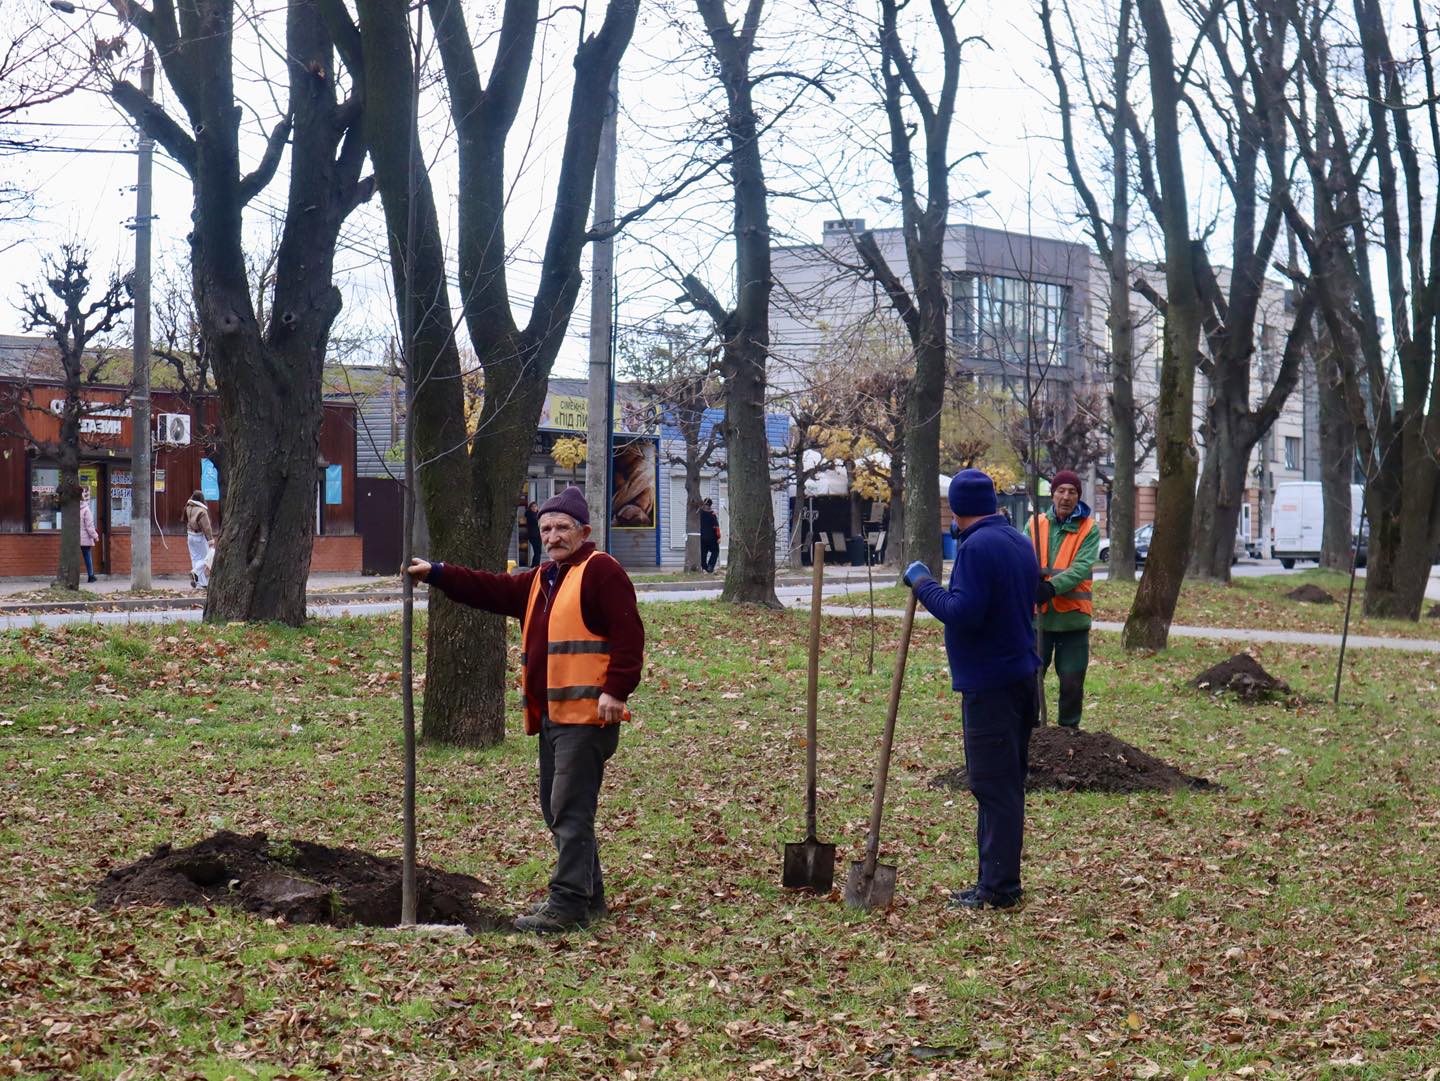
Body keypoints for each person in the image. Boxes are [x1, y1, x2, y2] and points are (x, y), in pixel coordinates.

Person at [406, 486, 644, 934]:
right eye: (546, 527)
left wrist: (617, 691)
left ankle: (567, 905)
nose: (552, 536)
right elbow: (489, 588)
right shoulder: (542, 578)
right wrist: (435, 573)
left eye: (562, 528)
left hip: (588, 716)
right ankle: (588, 897)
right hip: (553, 714)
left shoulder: (601, 572)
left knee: (570, 810)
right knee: (556, 808)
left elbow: (629, 636)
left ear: (584, 532)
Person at [902, 468, 1041, 911]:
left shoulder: (977, 547)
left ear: (957, 511)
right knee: (1002, 784)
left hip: (992, 685)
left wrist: (923, 582)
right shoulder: (1018, 540)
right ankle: (992, 880)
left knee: (993, 785)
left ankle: (1000, 889)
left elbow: (963, 612)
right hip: (1019, 678)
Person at [1025, 470, 1098, 729]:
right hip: (1039, 620)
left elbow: (1080, 568)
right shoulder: (1034, 524)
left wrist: (1050, 588)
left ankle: (1069, 732)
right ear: (1052, 494)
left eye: (1072, 492)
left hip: (1073, 620)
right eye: (1061, 491)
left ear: (1078, 496)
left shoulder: (1088, 529)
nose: (1066, 497)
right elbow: (1023, 556)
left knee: (1071, 681)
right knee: (1030, 679)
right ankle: (1030, 731)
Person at [184, 491, 214, 589]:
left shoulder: (188, 507)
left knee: (195, 558)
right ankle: (195, 572)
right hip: (199, 536)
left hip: (190, 535)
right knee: (207, 557)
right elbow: (207, 527)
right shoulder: (202, 511)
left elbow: (184, 519)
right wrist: (211, 541)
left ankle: (202, 583)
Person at [78, 486, 99, 583]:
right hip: (85, 538)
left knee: (74, 557)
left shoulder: (74, 509)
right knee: (87, 556)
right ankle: (91, 576)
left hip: (75, 538)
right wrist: (95, 536)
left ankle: (73, 575)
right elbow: (89, 526)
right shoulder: (86, 510)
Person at [698, 497, 720, 573]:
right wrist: (718, 537)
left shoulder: (700, 513)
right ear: (710, 505)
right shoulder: (712, 514)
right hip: (712, 538)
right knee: (715, 551)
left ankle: (704, 567)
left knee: (703, 552)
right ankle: (710, 566)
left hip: (702, 537)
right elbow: (716, 527)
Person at [525, 500, 543, 568]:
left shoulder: (537, 514)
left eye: (535, 506)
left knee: (538, 551)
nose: (534, 508)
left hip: (538, 535)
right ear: (530, 508)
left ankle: (533, 565)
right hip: (533, 536)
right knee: (537, 551)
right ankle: (536, 566)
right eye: (533, 507)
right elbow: (536, 522)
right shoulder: (530, 515)